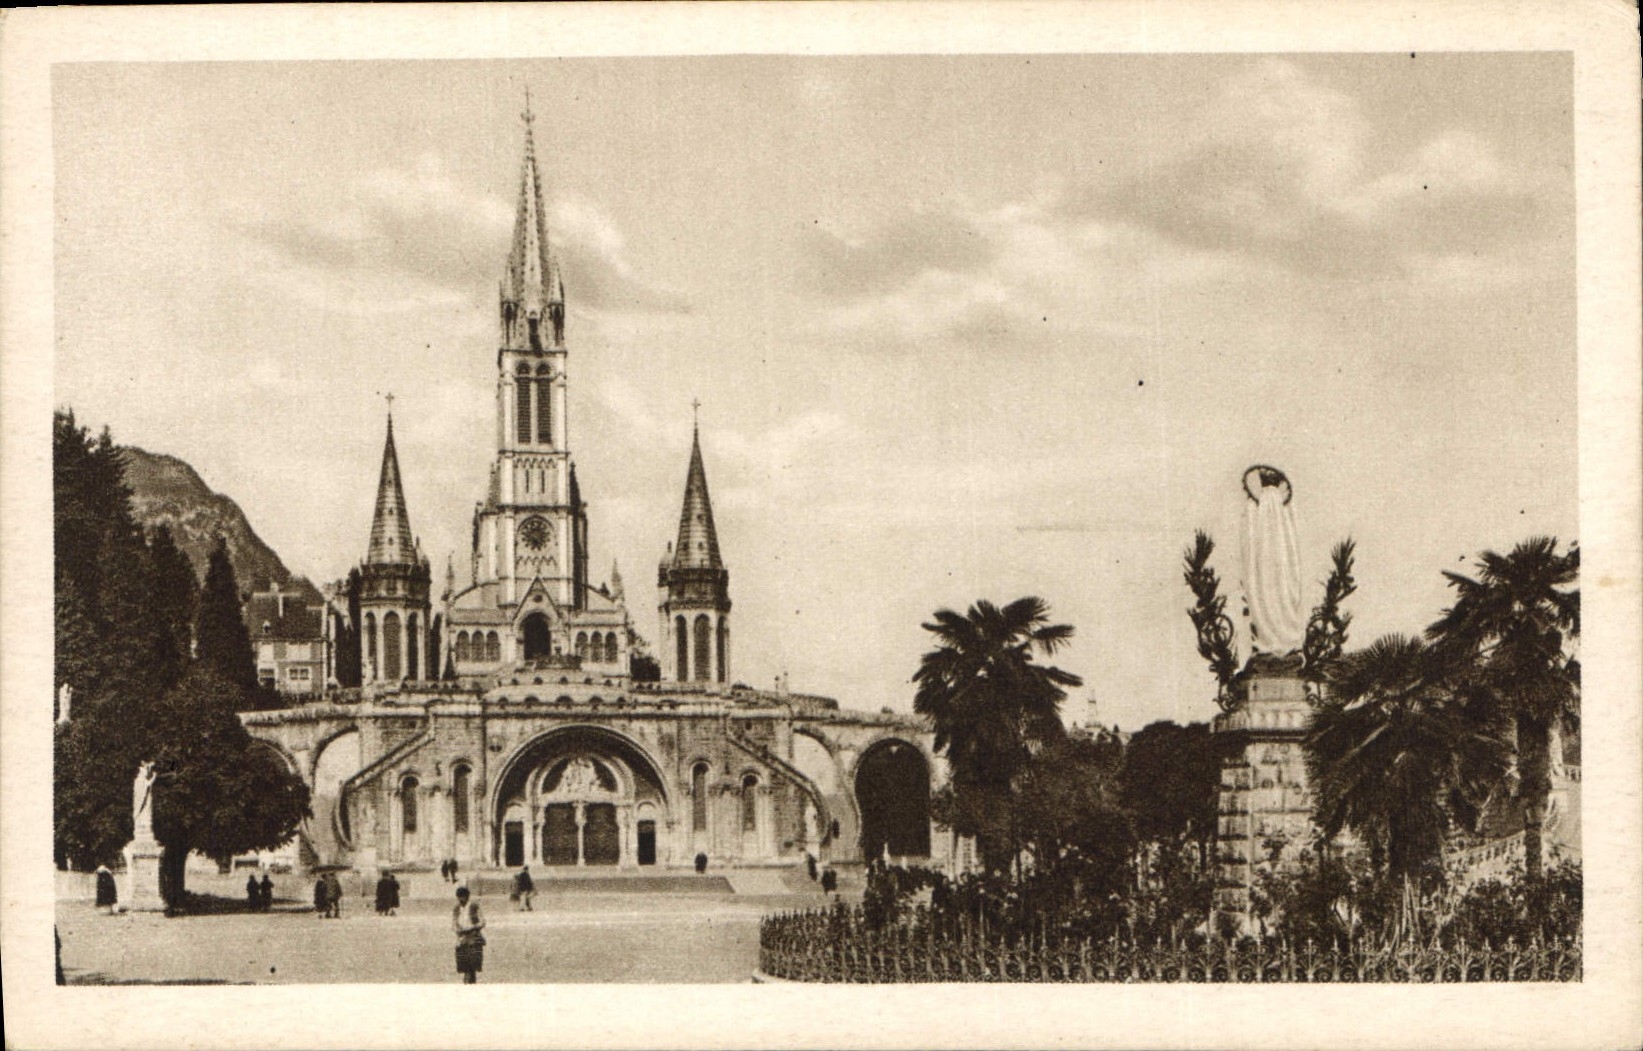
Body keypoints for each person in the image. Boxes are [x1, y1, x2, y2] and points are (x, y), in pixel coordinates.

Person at [451, 886, 486, 984]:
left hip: (473, 937)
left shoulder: (474, 906)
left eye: (463, 897)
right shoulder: (456, 908)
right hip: (462, 938)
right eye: (459, 897)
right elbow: (453, 923)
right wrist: (457, 930)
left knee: (472, 965)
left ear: (467, 897)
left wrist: (473, 927)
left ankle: (470, 983)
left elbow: (482, 921)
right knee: (464, 965)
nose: (461, 899)